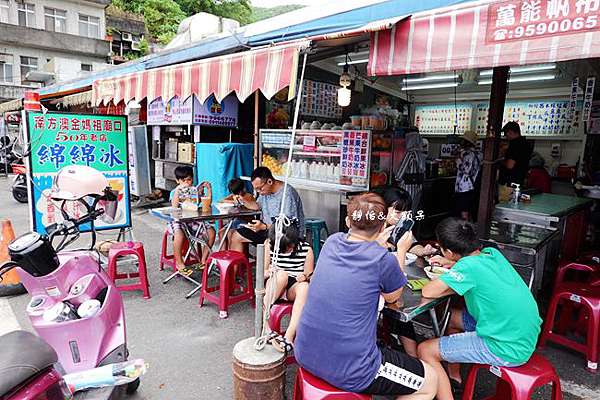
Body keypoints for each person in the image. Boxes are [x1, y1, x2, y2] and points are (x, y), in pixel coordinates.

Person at [294, 193, 438, 400]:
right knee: (429, 380)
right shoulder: (382, 260)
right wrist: (400, 250)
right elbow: (394, 297)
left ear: (347, 220)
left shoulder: (332, 242)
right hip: (353, 369)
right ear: (382, 228)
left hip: (305, 352)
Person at [417, 218, 542, 400]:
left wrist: (453, 272)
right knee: (450, 318)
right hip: (522, 335)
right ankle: (454, 378)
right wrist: (453, 265)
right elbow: (478, 274)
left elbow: (428, 291)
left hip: (504, 346)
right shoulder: (491, 254)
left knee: (425, 350)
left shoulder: (468, 267)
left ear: (450, 252)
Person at [263, 219, 314, 353]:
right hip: (276, 284)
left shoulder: (306, 249)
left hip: (293, 288)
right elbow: (261, 274)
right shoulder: (269, 245)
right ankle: (265, 327)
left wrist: (305, 277)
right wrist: (269, 272)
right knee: (282, 275)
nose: (287, 250)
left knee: (304, 287)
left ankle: (289, 336)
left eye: (290, 246)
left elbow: (310, 276)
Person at [229, 167, 305, 251]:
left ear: (270, 181)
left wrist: (264, 226)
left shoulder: (287, 194)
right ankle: (240, 264)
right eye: (256, 189)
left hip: (285, 235)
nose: (258, 192)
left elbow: (287, 225)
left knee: (237, 236)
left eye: (260, 188)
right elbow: (257, 206)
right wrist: (242, 199)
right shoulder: (265, 192)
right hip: (268, 230)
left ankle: (254, 263)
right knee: (234, 234)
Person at [170, 166, 216, 274]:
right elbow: (174, 206)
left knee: (211, 232)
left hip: (193, 220)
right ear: (177, 181)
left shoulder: (194, 191)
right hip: (178, 220)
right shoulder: (174, 192)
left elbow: (206, 204)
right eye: (183, 180)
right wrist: (179, 190)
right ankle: (180, 263)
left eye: (189, 179)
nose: (186, 182)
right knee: (179, 234)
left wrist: (208, 190)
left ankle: (203, 260)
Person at [454, 131, 482, 220]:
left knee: (464, 212)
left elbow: (466, 170)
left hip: (465, 187)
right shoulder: (479, 154)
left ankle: (464, 231)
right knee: (469, 211)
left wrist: (458, 160)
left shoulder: (469, 154)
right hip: (472, 186)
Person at [498, 121, 533, 187]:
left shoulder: (514, 145)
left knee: (506, 197)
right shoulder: (526, 144)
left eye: (506, 133)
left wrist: (500, 161)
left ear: (510, 132)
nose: (505, 136)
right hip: (520, 180)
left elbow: (510, 165)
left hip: (509, 181)